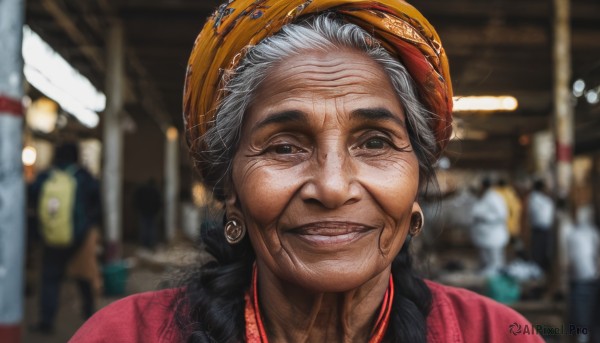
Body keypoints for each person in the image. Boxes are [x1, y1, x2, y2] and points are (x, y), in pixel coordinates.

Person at [71, 1, 543, 342]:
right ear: (229, 189)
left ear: (416, 180)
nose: (333, 187)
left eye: (375, 142)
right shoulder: (123, 335)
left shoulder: (497, 334)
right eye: (283, 147)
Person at [29, 142, 101, 334]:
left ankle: (46, 321)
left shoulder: (46, 176)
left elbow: (32, 195)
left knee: (50, 278)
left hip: (51, 237)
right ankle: (90, 316)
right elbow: (96, 202)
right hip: (78, 236)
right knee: (83, 275)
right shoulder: (83, 177)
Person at [567, 205, 600, 343]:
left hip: (588, 280)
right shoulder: (576, 234)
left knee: (587, 316)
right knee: (583, 316)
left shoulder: (589, 233)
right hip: (583, 281)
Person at [471, 178, 510, 276]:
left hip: (494, 234)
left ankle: (497, 281)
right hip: (486, 235)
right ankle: (489, 273)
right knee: (487, 259)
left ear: (484, 186)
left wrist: (484, 217)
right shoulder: (485, 196)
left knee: (496, 261)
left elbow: (502, 214)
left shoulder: (494, 197)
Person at [527, 179, 555, 273]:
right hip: (539, 228)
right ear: (541, 188)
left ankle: (541, 268)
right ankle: (538, 269)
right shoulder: (535, 198)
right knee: (539, 250)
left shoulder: (541, 198)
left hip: (544, 228)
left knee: (543, 249)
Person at [133, 179, 162, 249]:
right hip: (152, 212)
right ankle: (151, 244)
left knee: (144, 228)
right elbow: (159, 202)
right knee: (151, 229)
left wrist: (138, 209)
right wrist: (157, 211)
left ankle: (144, 244)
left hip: (144, 211)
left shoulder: (142, 190)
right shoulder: (155, 191)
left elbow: (136, 199)